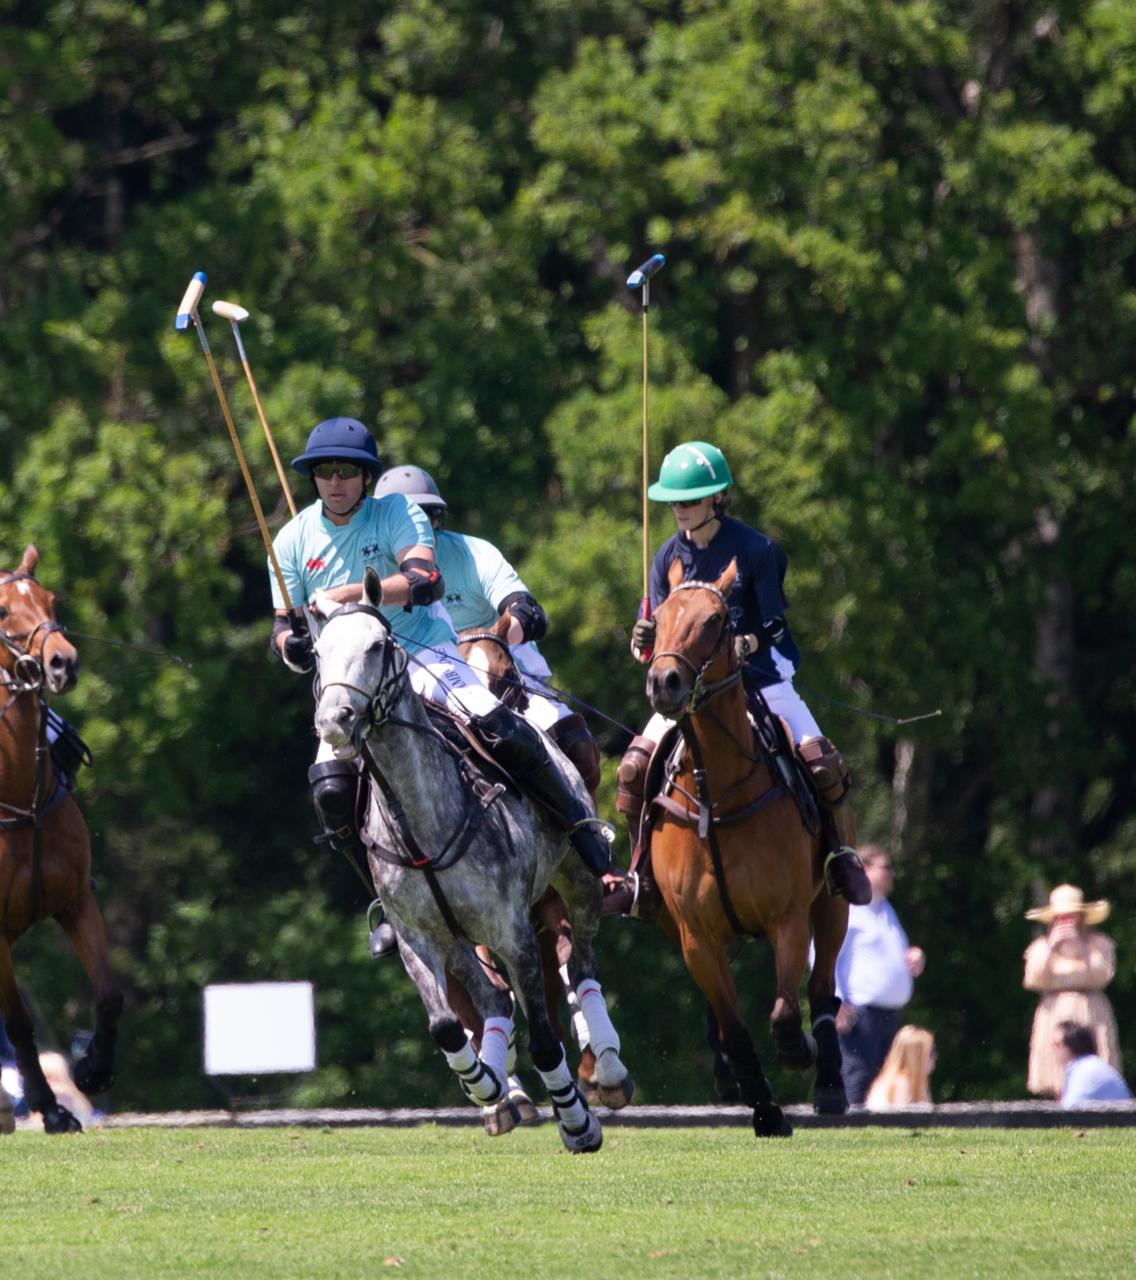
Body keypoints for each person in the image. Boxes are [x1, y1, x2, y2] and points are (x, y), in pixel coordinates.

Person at [270, 419, 611, 957]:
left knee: (499, 726)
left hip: (424, 651)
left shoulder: (399, 514)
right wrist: (289, 645)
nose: (334, 482)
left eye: (346, 472)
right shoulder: (291, 539)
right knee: (333, 791)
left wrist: (353, 594)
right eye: (324, 473)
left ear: (365, 477)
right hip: (351, 674)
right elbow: (283, 625)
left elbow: (426, 582)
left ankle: (580, 829)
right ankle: (386, 900)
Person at [607, 440, 870, 917]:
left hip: (759, 676)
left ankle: (839, 856)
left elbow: (774, 623)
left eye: (688, 500)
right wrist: (640, 638)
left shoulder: (756, 550)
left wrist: (744, 644)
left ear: (717, 498)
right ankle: (640, 872)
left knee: (819, 761)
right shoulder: (666, 555)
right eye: (673, 502)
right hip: (692, 692)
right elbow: (651, 643)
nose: (679, 510)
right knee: (632, 770)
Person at [372, 465, 601, 796]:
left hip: (496, 674)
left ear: (437, 519)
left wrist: (489, 642)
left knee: (576, 744)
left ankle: (588, 837)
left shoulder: (473, 553)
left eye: (424, 518)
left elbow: (527, 612)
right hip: (414, 683)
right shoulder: (369, 571)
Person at [834, 844, 926, 1106]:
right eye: (886, 867)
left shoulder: (885, 909)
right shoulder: (849, 910)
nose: (892, 873)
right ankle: (849, 1138)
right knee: (858, 1078)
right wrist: (836, 1001)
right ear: (863, 869)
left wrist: (915, 956)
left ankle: (878, 1139)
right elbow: (821, 956)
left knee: (887, 1081)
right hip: (860, 1015)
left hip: (888, 1015)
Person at [1023, 883, 1122, 1097]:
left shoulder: (1099, 944)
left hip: (1090, 1010)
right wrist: (1052, 946)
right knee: (1056, 1071)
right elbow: (1032, 978)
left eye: (1071, 915)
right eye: (1061, 917)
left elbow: (1103, 975)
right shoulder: (1041, 947)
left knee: (1094, 1067)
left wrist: (1082, 949)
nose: (1066, 921)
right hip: (1054, 1011)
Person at [1053, 1022, 1132, 1107]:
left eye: (1057, 1045)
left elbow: (1069, 1111)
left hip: (1112, 1119)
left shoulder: (1085, 1072)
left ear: (1072, 1045)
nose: (1053, 1050)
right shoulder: (1093, 1066)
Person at [864, 1025, 936, 1110]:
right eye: (930, 1052)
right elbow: (905, 1121)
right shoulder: (902, 1085)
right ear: (915, 1057)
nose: (935, 1056)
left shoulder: (908, 1082)